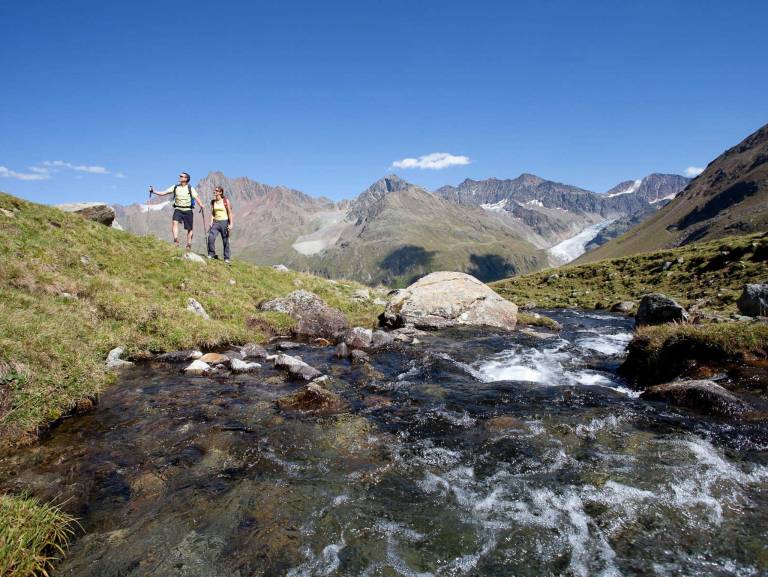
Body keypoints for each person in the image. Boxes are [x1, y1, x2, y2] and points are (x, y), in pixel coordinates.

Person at [149, 172, 205, 250]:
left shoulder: (190, 188)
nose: (180, 177)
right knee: (174, 222)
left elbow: (196, 197)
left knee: (190, 229)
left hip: (188, 210)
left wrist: (201, 204)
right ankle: (175, 240)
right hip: (178, 209)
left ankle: (188, 244)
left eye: (181, 176)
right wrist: (154, 191)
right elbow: (163, 193)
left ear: (186, 179)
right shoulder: (175, 187)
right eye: (180, 176)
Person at [207, 186, 233, 263]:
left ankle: (226, 258)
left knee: (225, 240)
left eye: (217, 190)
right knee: (211, 237)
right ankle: (211, 254)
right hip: (216, 222)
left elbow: (230, 213)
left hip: (224, 222)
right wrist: (211, 221)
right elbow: (213, 213)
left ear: (220, 192)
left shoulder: (225, 201)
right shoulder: (213, 202)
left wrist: (231, 224)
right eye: (214, 190)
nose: (215, 191)